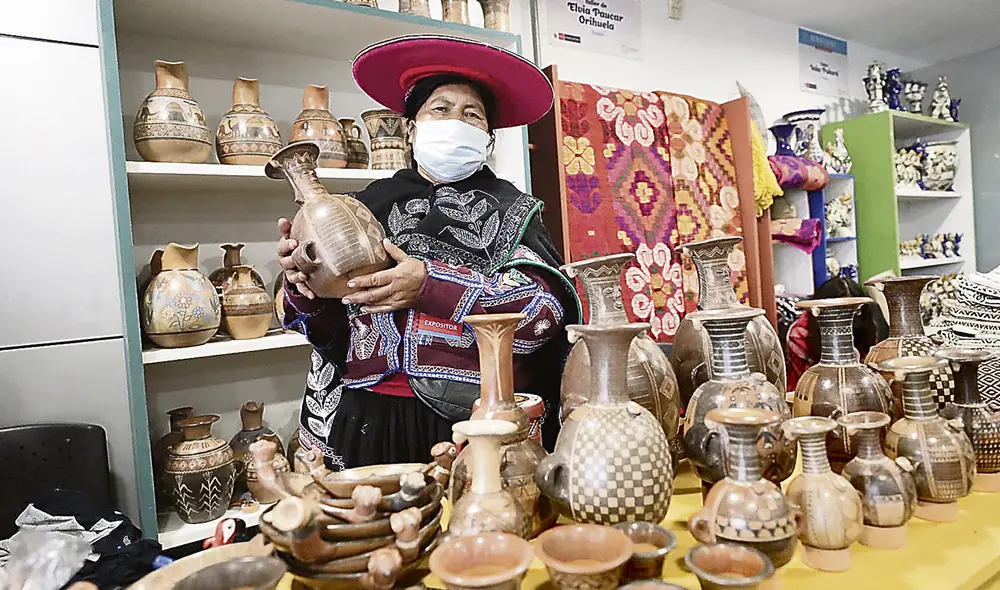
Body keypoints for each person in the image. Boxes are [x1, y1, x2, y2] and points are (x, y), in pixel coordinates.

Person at [276, 35, 580, 469]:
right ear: (410, 128)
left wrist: (430, 286)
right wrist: (302, 283)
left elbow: (543, 316)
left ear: (488, 138)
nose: (456, 121)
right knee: (372, 512)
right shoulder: (364, 207)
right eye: (440, 109)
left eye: (472, 115)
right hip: (365, 416)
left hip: (472, 420)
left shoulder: (513, 209)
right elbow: (325, 329)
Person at [786, 276, 888, 390]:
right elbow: (813, 381)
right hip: (811, 391)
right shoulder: (801, 334)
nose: (845, 316)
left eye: (854, 310)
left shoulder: (865, 321)